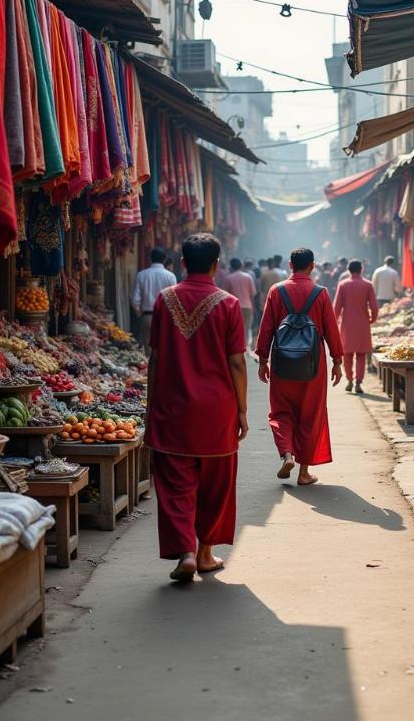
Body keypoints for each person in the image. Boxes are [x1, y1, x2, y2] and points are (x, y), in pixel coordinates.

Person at [145, 233, 248, 582]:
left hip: (172, 407)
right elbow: (237, 363)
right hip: (218, 410)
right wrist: (243, 410)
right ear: (217, 265)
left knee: (175, 485)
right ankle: (205, 553)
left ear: (184, 263)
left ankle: (185, 552)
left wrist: (150, 405)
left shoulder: (164, 300)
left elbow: (155, 359)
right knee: (216, 484)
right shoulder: (230, 304)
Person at [256, 248, 343, 486]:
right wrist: (337, 361)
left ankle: (286, 454)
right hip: (313, 366)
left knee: (281, 411)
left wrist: (263, 360)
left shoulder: (277, 291)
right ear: (312, 266)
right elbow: (331, 331)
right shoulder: (321, 294)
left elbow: (266, 328)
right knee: (310, 414)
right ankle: (304, 473)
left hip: (282, 364)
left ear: (290, 265)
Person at [333, 259, 378, 395]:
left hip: (346, 323)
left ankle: (349, 380)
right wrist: (372, 319)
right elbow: (374, 306)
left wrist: (334, 323)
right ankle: (358, 381)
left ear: (349, 270)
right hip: (363, 323)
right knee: (361, 354)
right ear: (361, 269)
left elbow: (336, 307)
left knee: (347, 354)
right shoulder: (368, 285)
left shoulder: (343, 284)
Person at [131, 247, 177, 356]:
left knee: (149, 354)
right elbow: (175, 301)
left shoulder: (142, 275)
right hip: (164, 318)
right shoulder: (171, 276)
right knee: (164, 353)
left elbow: (135, 300)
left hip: (147, 317)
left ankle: (151, 372)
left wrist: (141, 314)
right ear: (165, 260)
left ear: (150, 259)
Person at [225, 257, 257, 347]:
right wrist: (253, 307)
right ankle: (244, 347)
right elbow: (252, 294)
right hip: (247, 306)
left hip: (234, 307)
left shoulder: (228, 278)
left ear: (231, 266)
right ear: (241, 265)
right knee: (246, 328)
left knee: (235, 329)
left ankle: (236, 346)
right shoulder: (248, 277)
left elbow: (226, 295)